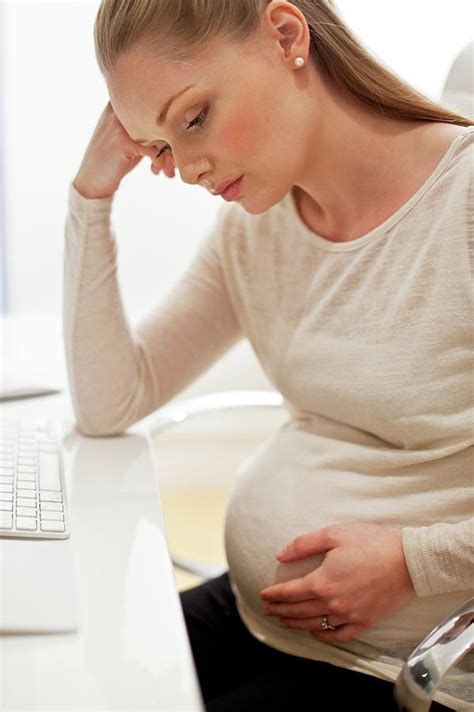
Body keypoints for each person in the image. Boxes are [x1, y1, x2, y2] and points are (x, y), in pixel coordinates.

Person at [64, 1, 473, 709]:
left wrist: (415, 563)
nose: (186, 169)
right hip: (266, 619)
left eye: (193, 119)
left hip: (392, 664)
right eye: (157, 149)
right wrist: (90, 195)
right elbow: (111, 403)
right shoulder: (255, 231)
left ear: (286, 36)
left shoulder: (461, 203)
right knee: (65, 680)